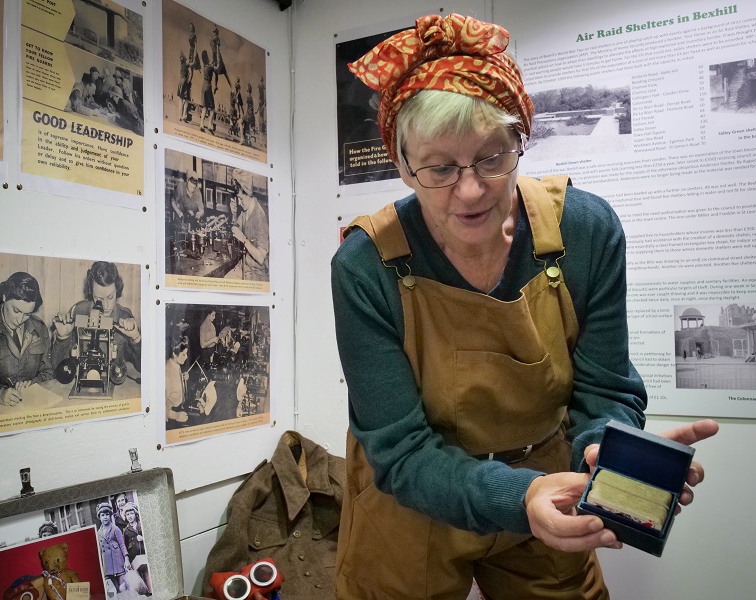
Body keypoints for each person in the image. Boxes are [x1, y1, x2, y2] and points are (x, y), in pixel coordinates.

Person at [331, 13, 719, 600]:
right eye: (440, 167)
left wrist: (606, 449)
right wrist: (518, 498)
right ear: (403, 164)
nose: (470, 189)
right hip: (411, 503)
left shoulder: (586, 232)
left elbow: (605, 387)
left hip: (549, 478)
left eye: (492, 157)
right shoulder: (365, 267)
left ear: (521, 139)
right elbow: (401, 451)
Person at [0, 271, 54, 406]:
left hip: (28, 409)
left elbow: (48, 373)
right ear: (4, 297)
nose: (20, 320)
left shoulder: (40, 328)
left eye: (27, 314)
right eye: (16, 311)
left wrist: (33, 384)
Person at [52, 261, 142, 379]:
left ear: (117, 292)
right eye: (98, 299)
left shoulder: (124, 316)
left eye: (110, 297)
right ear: (91, 293)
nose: (105, 306)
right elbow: (58, 368)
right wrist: (62, 337)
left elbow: (141, 367)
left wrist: (136, 338)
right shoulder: (78, 311)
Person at [229, 169, 269, 281]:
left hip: (257, 272)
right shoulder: (245, 211)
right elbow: (235, 229)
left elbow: (261, 258)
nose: (239, 203)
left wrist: (244, 240)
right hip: (244, 264)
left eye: (241, 199)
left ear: (249, 195)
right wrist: (233, 214)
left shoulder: (260, 217)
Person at [96, 501, 129, 594]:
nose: (105, 517)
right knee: (116, 591)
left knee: (123, 588)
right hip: (108, 566)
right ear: (100, 517)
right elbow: (99, 551)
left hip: (119, 563)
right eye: (102, 515)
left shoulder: (115, 529)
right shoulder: (98, 533)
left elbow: (122, 545)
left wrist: (126, 559)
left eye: (107, 514)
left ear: (110, 515)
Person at [166, 336, 190, 424]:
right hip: (172, 414)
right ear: (175, 354)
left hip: (181, 406)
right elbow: (159, 405)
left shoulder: (176, 364)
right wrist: (175, 416)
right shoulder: (167, 375)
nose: (186, 357)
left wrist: (183, 378)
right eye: (183, 354)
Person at [199, 49, 218, 134]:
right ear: (207, 57)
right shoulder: (210, 66)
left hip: (203, 85)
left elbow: (211, 66)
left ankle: (201, 125)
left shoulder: (205, 66)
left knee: (205, 107)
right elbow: (216, 69)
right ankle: (210, 125)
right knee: (212, 108)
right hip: (208, 86)